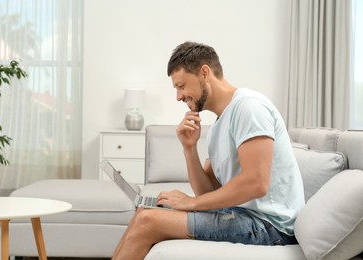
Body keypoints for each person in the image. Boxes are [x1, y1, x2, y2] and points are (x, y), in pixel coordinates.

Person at [112, 41, 305, 260]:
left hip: (271, 226)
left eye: (181, 86)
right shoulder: (217, 126)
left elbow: (257, 183)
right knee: (142, 215)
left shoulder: (249, 107)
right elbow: (208, 193)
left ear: (204, 72)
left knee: (148, 222)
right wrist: (189, 149)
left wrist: (189, 203)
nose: (178, 96)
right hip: (243, 216)